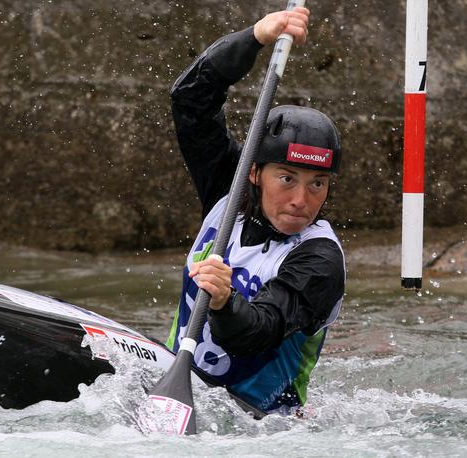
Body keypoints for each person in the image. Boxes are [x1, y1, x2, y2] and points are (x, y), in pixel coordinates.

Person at [164, 7, 345, 414]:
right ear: (256, 173)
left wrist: (225, 300)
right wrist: (256, 36)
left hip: (257, 423)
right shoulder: (229, 191)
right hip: (173, 380)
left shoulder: (319, 259)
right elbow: (190, 99)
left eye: (317, 183)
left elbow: (256, 334)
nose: (302, 199)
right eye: (287, 179)